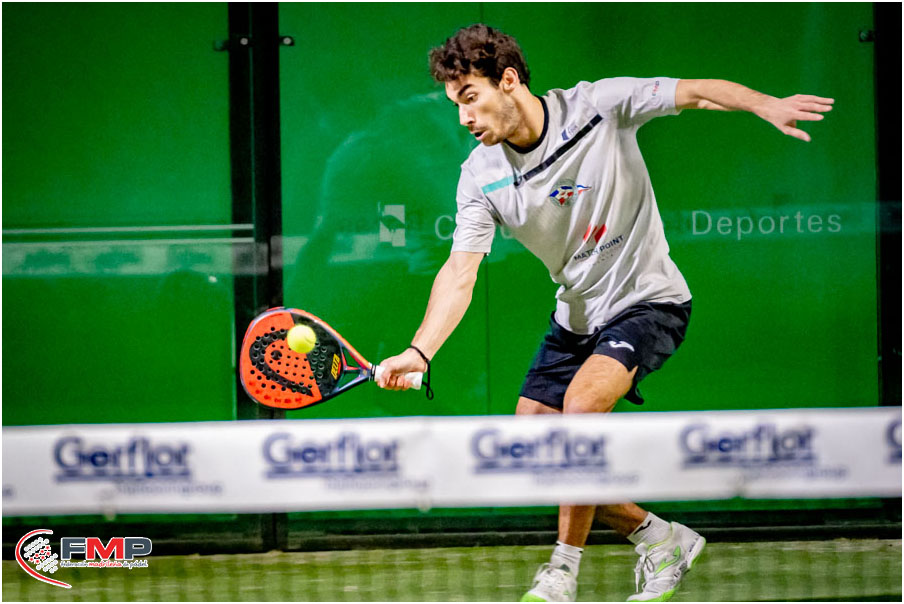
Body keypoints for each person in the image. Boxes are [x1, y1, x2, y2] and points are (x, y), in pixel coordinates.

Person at [375, 24, 833, 602]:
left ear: (508, 81)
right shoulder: (480, 175)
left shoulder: (598, 106)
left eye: (471, 97)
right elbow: (459, 272)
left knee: (580, 410)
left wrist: (765, 104)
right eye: (455, 104)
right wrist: (420, 350)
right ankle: (658, 537)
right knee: (532, 448)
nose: (464, 117)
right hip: (575, 318)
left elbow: (695, 92)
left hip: (649, 300)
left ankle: (562, 571)